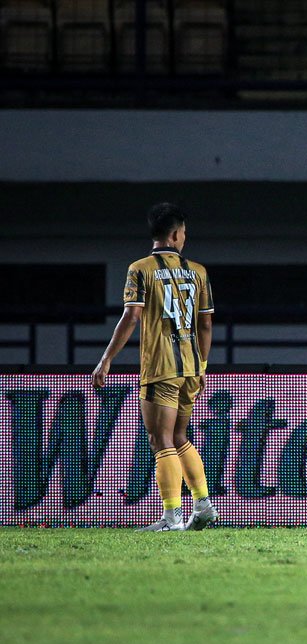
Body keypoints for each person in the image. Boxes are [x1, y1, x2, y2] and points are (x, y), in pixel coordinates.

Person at [91, 203, 217, 532]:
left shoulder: (140, 269)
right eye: (184, 233)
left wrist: (106, 359)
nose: (185, 239)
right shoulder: (198, 272)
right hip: (191, 367)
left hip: (160, 367)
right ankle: (202, 504)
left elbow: (131, 317)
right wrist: (202, 366)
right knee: (178, 436)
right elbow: (206, 325)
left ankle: (172, 517)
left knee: (160, 439)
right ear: (174, 234)